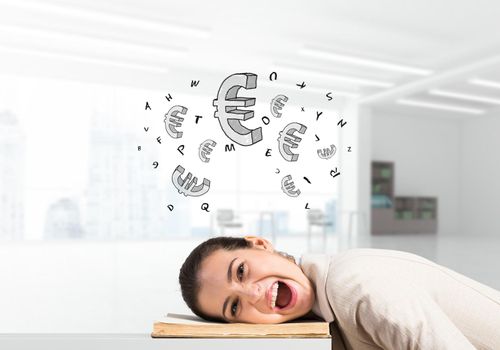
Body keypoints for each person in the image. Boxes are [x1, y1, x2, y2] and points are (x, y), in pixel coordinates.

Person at [179, 235, 500, 350]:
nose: (253, 294)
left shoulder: (353, 285)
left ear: (261, 244)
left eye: (241, 271)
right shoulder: (321, 320)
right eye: (234, 308)